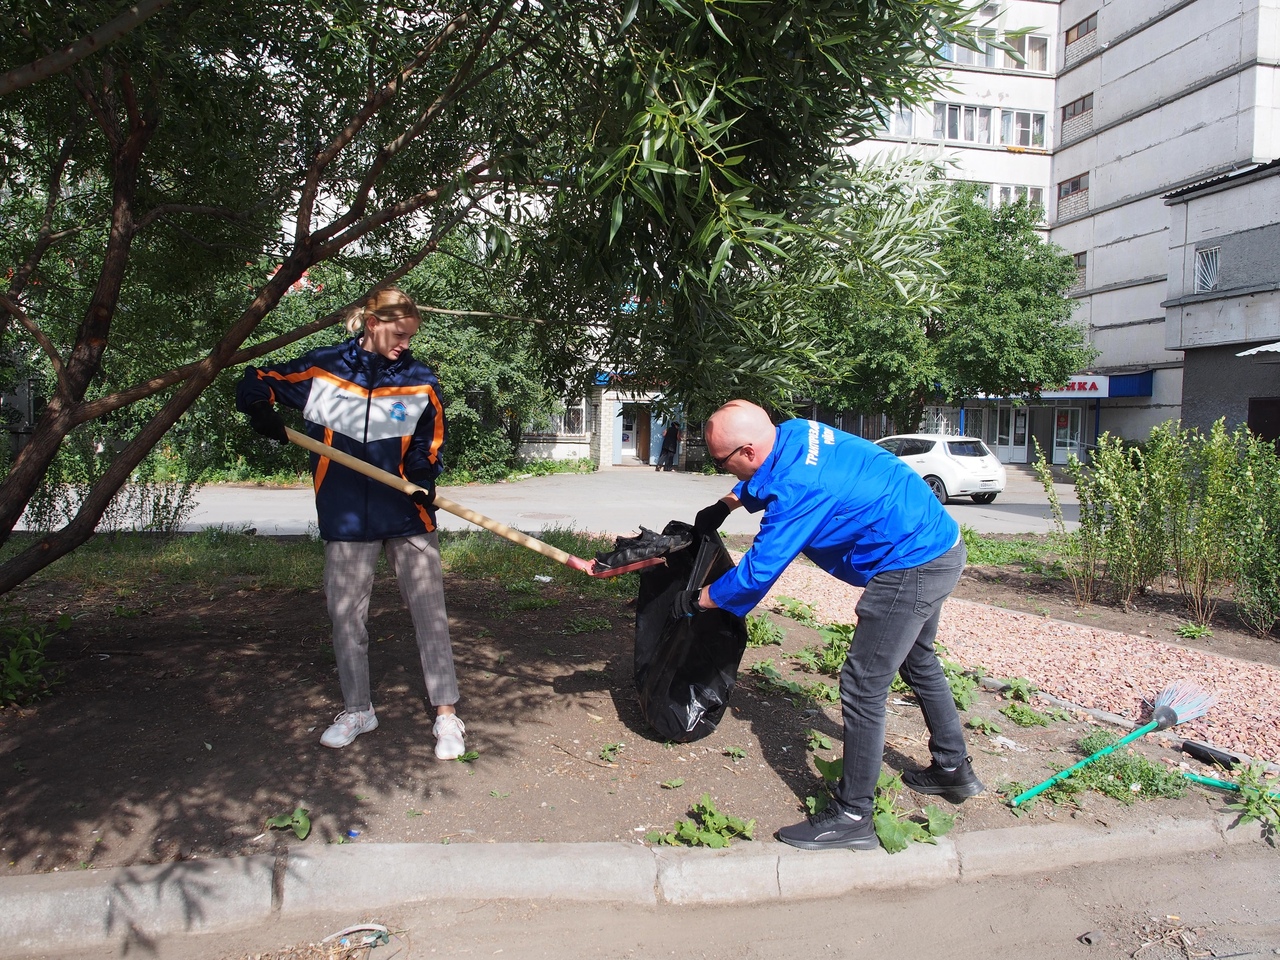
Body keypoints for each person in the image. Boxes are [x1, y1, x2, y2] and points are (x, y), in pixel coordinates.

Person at [673, 400, 982, 850]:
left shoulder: (801, 485)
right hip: (933, 540)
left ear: (747, 451)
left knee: (863, 683)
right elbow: (769, 474)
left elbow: (760, 570)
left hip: (911, 563)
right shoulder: (794, 432)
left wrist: (699, 599)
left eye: (723, 463)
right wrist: (726, 504)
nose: (726, 471)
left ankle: (854, 813)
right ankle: (953, 770)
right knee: (917, 661)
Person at [235, 286, 467, 759]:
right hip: (343, 515)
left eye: (410, 335)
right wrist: (261, 410)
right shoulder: (324, 369)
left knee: (431, 618)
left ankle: (447, 716)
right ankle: (358, 709)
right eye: (399, 334)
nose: (405, 343)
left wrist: (424, 474)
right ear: (371, 323)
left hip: (407, 515)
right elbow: (256, 377)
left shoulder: (420, 379)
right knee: (346, 620)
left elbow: (432, 439)